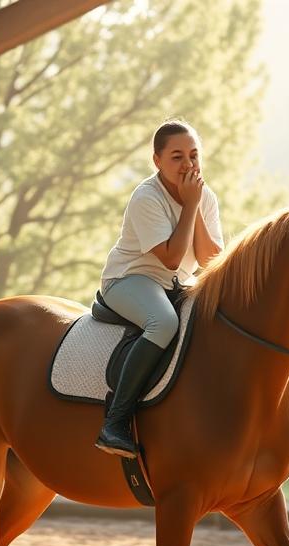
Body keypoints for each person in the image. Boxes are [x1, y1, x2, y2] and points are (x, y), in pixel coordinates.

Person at [95, 119, 224, 457]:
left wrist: (193, 204)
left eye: (194, 155)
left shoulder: (204, 196)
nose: (188, 164)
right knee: (163, 323)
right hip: (131, 279)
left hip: (179, 283)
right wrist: (189, 205)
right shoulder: (146, 197)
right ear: (157, 160)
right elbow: (170, 258)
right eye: (177, 157)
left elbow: (211, 260)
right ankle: (115, 422)